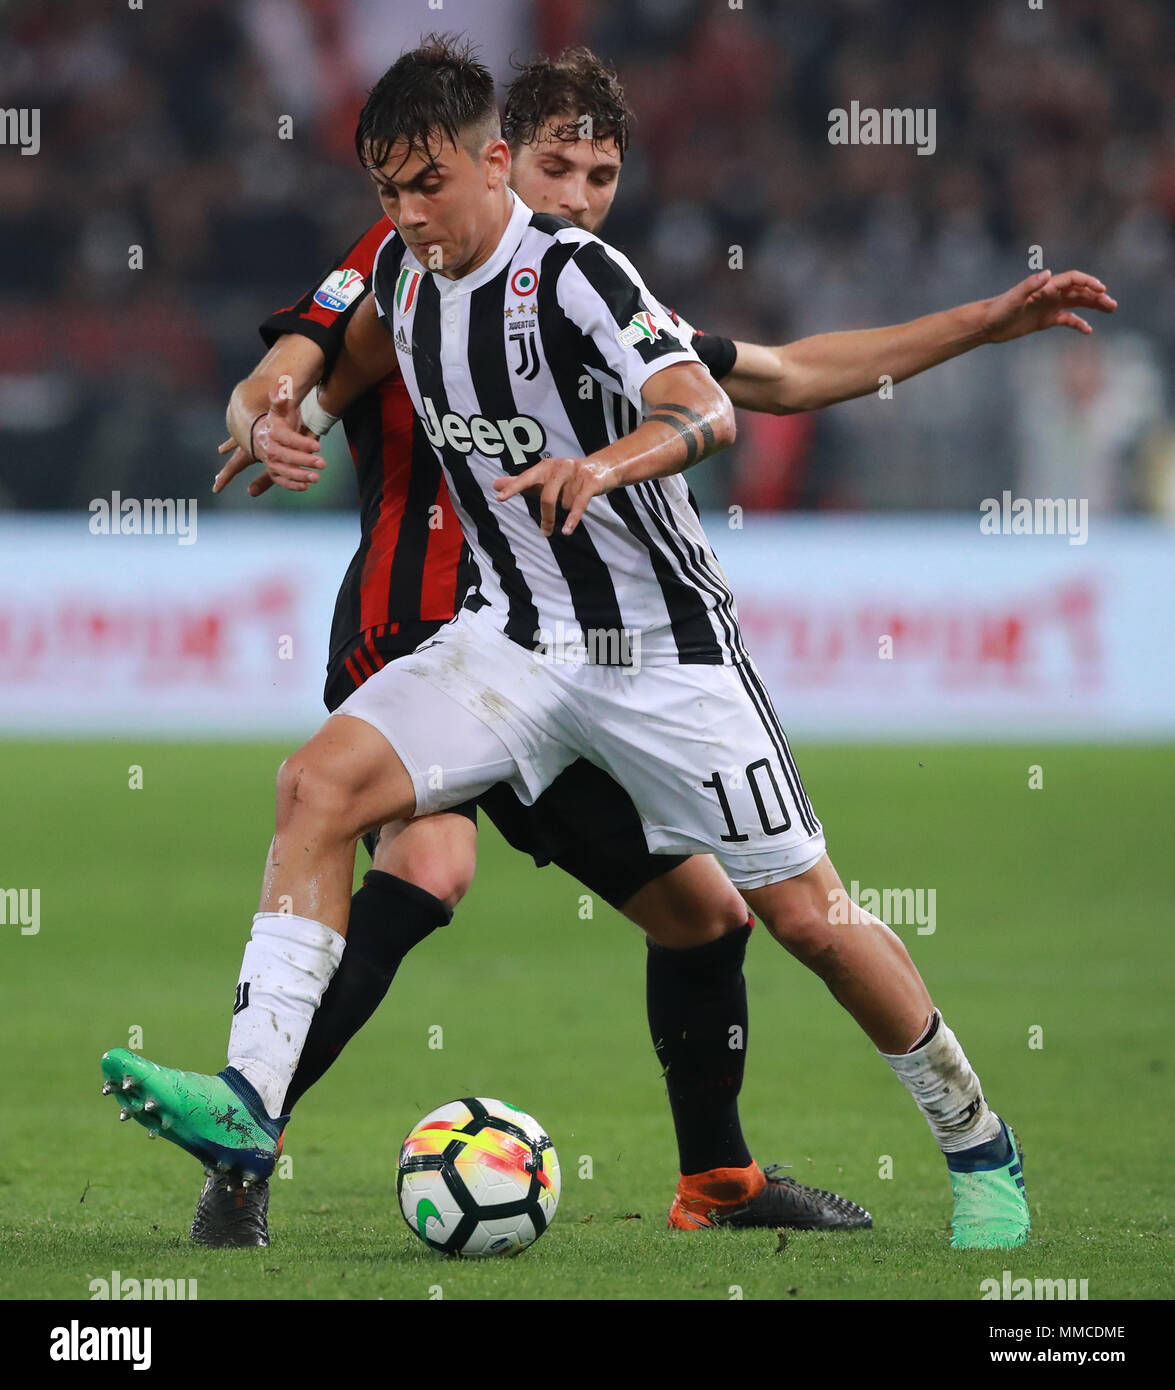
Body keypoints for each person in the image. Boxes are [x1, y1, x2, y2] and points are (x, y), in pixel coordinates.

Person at [104, 38, 1112, 1253]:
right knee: (321, 787)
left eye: (597, 171)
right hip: (503, 642)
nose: (412, 212)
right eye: (391, 192)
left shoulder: (580, 273)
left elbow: (730, 395)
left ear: (485, 167)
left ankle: (973, 1145)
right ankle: (246, 1113)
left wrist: (609, 459)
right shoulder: (403, 277)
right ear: (502, 158)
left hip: (660, 656)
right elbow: (307, 371)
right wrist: (277, 422)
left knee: (796, 919)